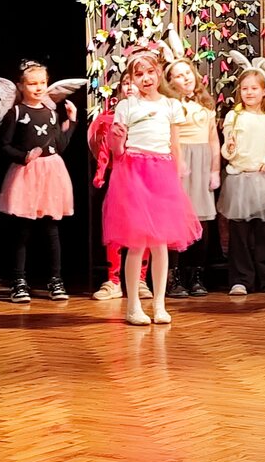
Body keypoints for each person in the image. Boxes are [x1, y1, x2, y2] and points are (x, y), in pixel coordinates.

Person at [103, 51, 200, 325]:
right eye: (139, 74)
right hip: (134, 172)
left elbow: (175, 144)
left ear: (159, 73)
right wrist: (115, 139)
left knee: (159, 244)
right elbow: (117, 150)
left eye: (150, 72)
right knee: (136, 243)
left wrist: (176, 176)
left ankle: (159, 304)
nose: (145, 78)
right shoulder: (126, 106)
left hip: (162, 172)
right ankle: (133, 306)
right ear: (131, 78)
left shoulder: (171, 105)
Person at [0, 60, 77, 304]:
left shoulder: (51, 113)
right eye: (32, 83)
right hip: (26, 175)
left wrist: (71, 122)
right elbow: (3, 145)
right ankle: (19, 281)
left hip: (51, 174)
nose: (39, 87)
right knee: (23, 230)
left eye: (42, 82)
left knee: (51, 230)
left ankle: (55, 279)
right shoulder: (16, 113)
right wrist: (23, 156)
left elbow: (59, 145)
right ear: (21, 86)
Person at [217, 60, 265, 296]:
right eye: (244, 88)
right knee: (239, 233)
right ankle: (240, 279)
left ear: (264, 91)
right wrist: (229, 148)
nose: (249, 92)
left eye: (254, 88)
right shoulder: (234, 117)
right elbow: (227, 150)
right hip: (239, 179)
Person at [88, 71, 149, 301]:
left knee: (143, 229)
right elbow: (105, 151)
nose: (130, 87)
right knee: (116, 228)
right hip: (119, 178)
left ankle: (140, 280)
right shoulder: (109, 119)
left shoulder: (151, 115)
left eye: (134, 82)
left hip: (144, 177)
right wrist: (100, 173)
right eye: (125, 83)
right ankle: (113, 280)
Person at [166, 59, 220, 297]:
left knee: (201, 219)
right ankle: (174, 276)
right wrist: (177, 162)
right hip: (181, 161)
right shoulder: (170, 104)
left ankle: (196, 275)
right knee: (177, 219)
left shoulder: (205, 104)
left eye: (188, 72)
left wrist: (214, 170)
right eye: (179, 75)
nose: (186, 78)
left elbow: (213, 140)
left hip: (202, 163)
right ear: (170, 82)